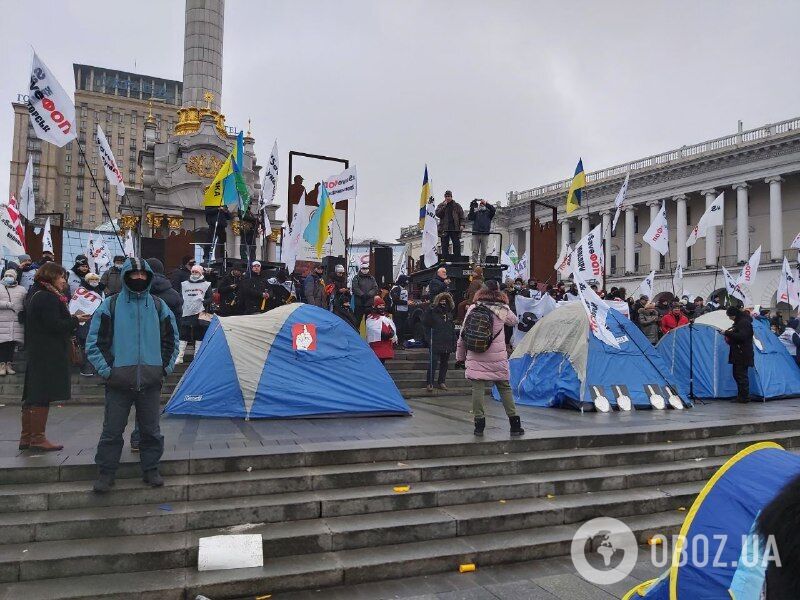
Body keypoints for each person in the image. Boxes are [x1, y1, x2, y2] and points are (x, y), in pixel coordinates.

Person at [86, 258, 179, 493]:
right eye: (134, 275)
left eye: (142, 276)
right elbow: (95, 342)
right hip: (119, 381)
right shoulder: (111, 305)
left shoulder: (158, 306)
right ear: (126, 277)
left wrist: (163, 369)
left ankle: (151, 469)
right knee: (112, 431)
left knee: (151, 431)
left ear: (148, 277)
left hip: (150, 379)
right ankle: (106, 473)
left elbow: (171, 340)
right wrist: (108, 371)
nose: (138, 279)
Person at [20, 263, 89, 451]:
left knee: (33, 394)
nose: (64, 282)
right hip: (47, 352)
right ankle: (37, 438)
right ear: (51, 277)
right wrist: (76, 320)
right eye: (61, 277)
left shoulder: (35, 293)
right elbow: (54, 325)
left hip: (38, 350)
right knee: (41, 394)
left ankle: (27, 437)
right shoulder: (48, 298)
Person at [456, 280, 523, 437]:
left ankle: (479, 426)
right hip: (497, 357)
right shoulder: (503, 309)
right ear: (498, 292)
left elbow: (463, 334)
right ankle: (514, 424)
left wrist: (460, 357)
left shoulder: (473, 307)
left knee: (477, 388)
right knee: (504, 388)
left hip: (476, 354)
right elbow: (515, 321)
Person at [176, 264, 212, 364]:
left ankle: (197, 356)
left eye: (196, 272)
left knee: (199, 333)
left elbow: (210, 298)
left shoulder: (206, 284)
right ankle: (180, 356)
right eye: (193, 271)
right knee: (184, 333)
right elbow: (180, 295)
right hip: (186, 311)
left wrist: (202, 302)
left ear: (201, 273)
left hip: (199, 312)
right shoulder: (184, 284)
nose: (194, 273)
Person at [72, 272, 105, 377]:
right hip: (84, 319)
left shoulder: (101, 291)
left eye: (96, 280)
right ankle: (85, 366)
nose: (94, 282)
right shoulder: (81, 291)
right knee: (84, 342)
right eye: (92, 280)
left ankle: (94, 366)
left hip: (96, 320)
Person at [423, 292, 456, 392]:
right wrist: (428, 339)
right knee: (433, 362)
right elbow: (425, 323)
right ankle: (430, 382)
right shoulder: (432, 311)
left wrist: (453, 341)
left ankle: (442, 381)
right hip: (435, 340)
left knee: (444, 363)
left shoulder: (449, 313)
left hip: (446, 340)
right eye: (441, 300)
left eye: (445, 301)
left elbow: (451, 327)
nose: (443, 302)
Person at [724, 305, 754, 404]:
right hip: (739, 352)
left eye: (730, 316)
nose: (729, 318)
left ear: (734, 315)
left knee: (741, 376)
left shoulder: (743, 323)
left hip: (742, 353)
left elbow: (742, 337)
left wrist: (727, 333)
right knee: (737, 375)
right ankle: (741, 396)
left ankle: (744, 397)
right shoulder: (740, 322)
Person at [0, 269, 25, 376]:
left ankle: (9, 364)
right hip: (2, 321)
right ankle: (2, 365)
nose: (8, 277)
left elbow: (25, 303)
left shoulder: (22, 289)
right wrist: (7, 304)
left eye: (11, 275)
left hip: (16, 322)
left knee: (11, 344)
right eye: (7, 275)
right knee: (2, 344)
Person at [145, 258, 183, 325]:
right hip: (167, 332)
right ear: (162, 270)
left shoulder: (137, 292)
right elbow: (178, 321)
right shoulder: (175, 294)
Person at [366, 296, 397, 363]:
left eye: (383, 305)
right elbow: (371, 329)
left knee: (382, 362)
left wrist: (391, 333)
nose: (382, 307)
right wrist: (382, 334)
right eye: (380, 305)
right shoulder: (371, 318)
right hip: (376, 345)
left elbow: (392, 327)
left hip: (386, 344)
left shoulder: (387, 317)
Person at [435, 190, 465, 258]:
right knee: (444, 245)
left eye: (449, 196)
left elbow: (462, 216)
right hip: (444, 228)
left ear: (451, 197)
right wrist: (444, 206)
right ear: (444, 197)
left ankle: (457, 258)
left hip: (454, 228)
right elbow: (437, 214)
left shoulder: (457, 205)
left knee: (456, 243)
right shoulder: (441, 205)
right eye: (446, 196)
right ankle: (445, 259)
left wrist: (462, 225)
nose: (447, 198)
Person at [352, 258, 379, 330]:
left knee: (370, 323)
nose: (365, 270)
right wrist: (362, 295)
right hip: (359, 304)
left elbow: (375, 288)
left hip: (369, 304)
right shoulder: (356, 278)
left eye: (366, 268)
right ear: (361, 269)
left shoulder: (372, 278)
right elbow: (355, 288)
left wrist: (369, 295)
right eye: (363, 268)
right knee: (356, 322)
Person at [467, 198, 495, 263]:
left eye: (483, 204)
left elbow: (493, 210)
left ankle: (482, 265)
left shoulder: (489, 213)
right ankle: (474, 265)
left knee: (484, 251)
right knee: (475, 251)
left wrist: (486, 203)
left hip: (485, 234)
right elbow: (470, 217)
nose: (481, 205)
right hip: (476, 234)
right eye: (480, 204)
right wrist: (472, 206)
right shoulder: (476, 213)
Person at [390, 275, 410, 341]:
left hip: (404, 311)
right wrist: (406, 302)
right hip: (397, 311)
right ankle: (396, 342)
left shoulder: (403, 288)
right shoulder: (396, 288)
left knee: (403, 328)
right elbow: (395, 300)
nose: (407, 282)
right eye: (406, 280)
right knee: (398, 327)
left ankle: (401, 342)